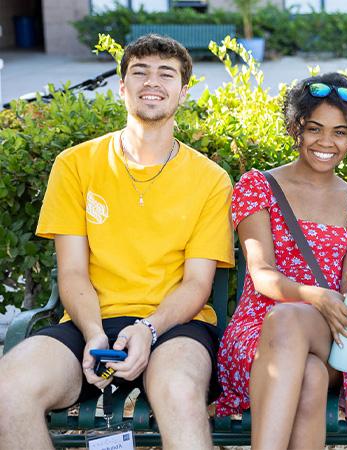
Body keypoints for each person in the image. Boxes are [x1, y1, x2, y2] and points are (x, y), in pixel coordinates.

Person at [0, 34, 234, 449]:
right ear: (122, 87)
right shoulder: (75, 165)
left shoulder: (210, 180)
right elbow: (72, 272)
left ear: (183, 91)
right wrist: (93, 334)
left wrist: (148, 328)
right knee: (8, 390)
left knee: (179, 390)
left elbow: (197, 285)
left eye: (167, 73)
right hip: (91, 325)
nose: (152, 82)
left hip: (176, 326)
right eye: (139, 72)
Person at [216, 72, 347, 449]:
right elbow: (261, 275)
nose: (326, 142)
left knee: (295, 324)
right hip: (256, 333)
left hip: (327, 331)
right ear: (296, 129)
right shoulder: (257, 185)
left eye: (340, 132)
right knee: (308, 374)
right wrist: (315, 296)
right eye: (315, 128)